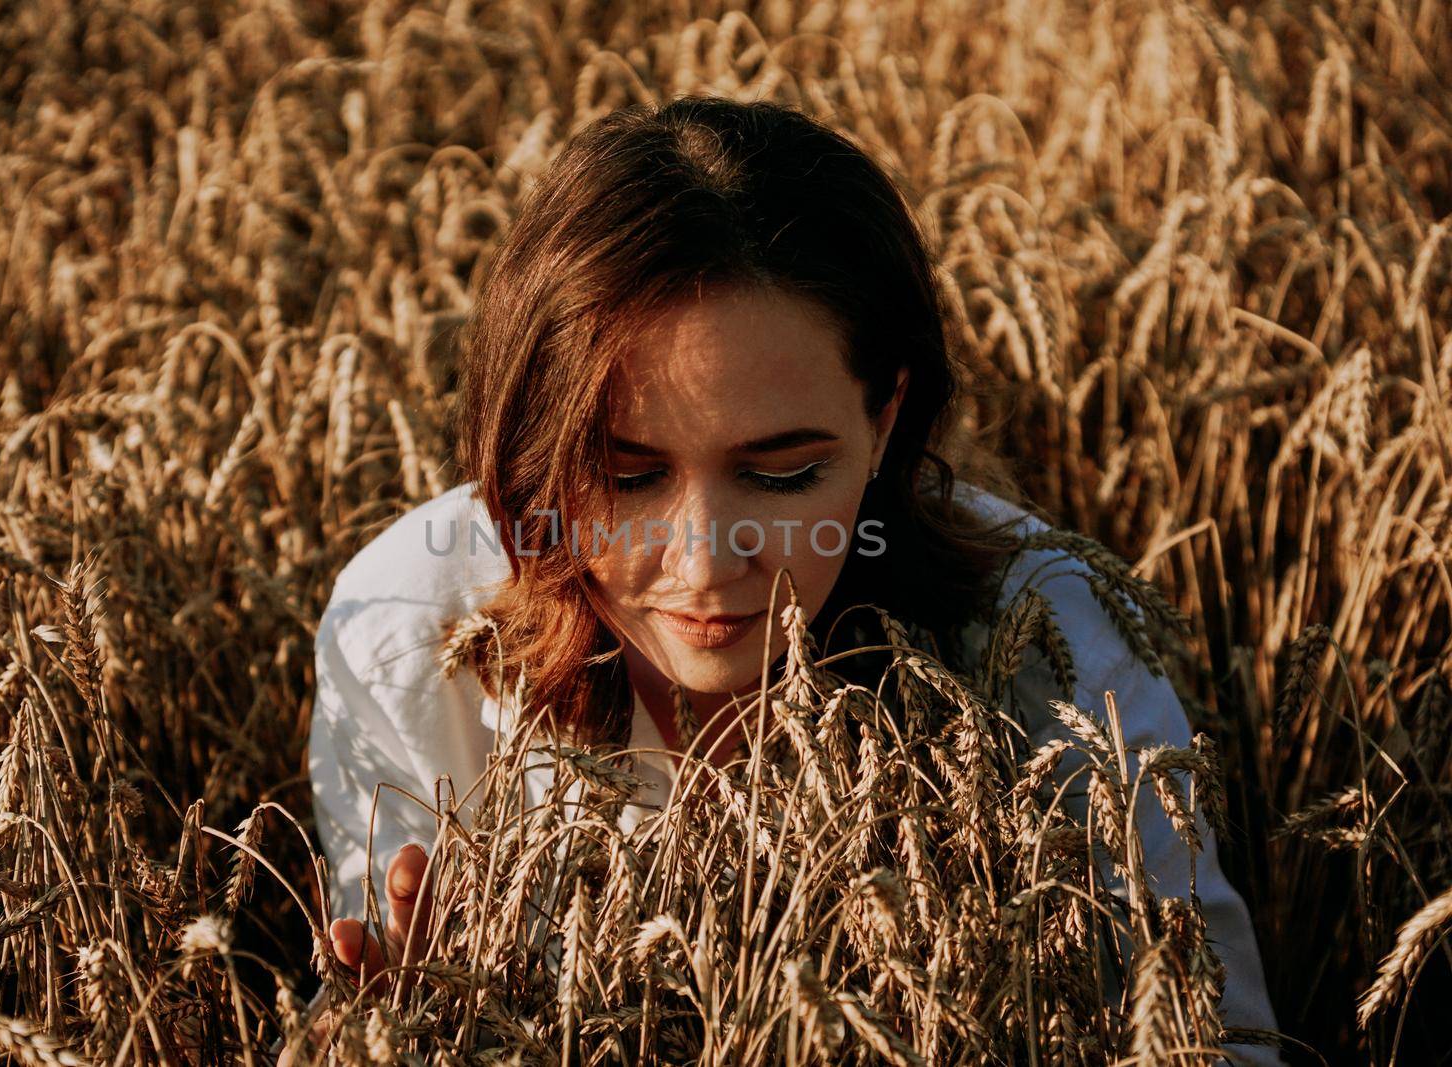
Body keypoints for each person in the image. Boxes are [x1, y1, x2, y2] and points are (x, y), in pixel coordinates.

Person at [284, 96, 1282, 1064]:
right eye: (628, 475)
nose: (708, 559)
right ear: (536, 448)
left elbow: (1210, 1037)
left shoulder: (1048, 634)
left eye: (784, 472)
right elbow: (380, 998)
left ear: (885, 421)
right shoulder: (411, 630)